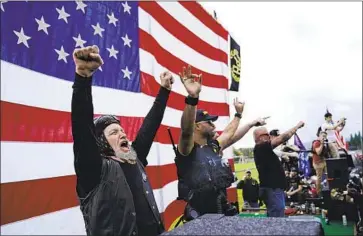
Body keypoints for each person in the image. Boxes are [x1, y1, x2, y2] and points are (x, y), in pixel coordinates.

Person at [71, 45, 174, 236]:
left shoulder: (134, 157)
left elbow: (149, 127)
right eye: (113, 132)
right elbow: (82, 129)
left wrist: (164, 91)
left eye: (122, 130)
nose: (123, 134)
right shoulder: (93, 170)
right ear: (100, 142)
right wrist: (83, 78)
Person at [175, 65, 243, 220]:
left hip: (223, 213)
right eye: (209, 122)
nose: (213, 125)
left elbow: (228, 133)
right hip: (201, 219)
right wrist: (192, 98)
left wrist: (238, 114)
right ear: (197, 126)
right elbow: (186, 131)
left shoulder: (213, 146)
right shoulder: (188, 151)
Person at [253, 121, 305, 217]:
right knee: (277, 217)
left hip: (274, 189)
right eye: (266, 134)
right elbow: (282, 138)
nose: (269, 136)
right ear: (260, 137)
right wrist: (297, 126)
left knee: (276, 214)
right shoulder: (261, 147)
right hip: (273, 190)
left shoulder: (263, 149)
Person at [312, 128, 330, 196]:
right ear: (319, 136)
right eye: (323, 136)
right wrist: (322, 144)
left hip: (323, 161)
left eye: (325, 136)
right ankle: (318, 192)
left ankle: (329, 188)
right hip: (317, 163)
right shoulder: (316, 143)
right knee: (319, 178)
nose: (324, 138)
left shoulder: (324, 142)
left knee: (328, 174)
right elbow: (318, 152)